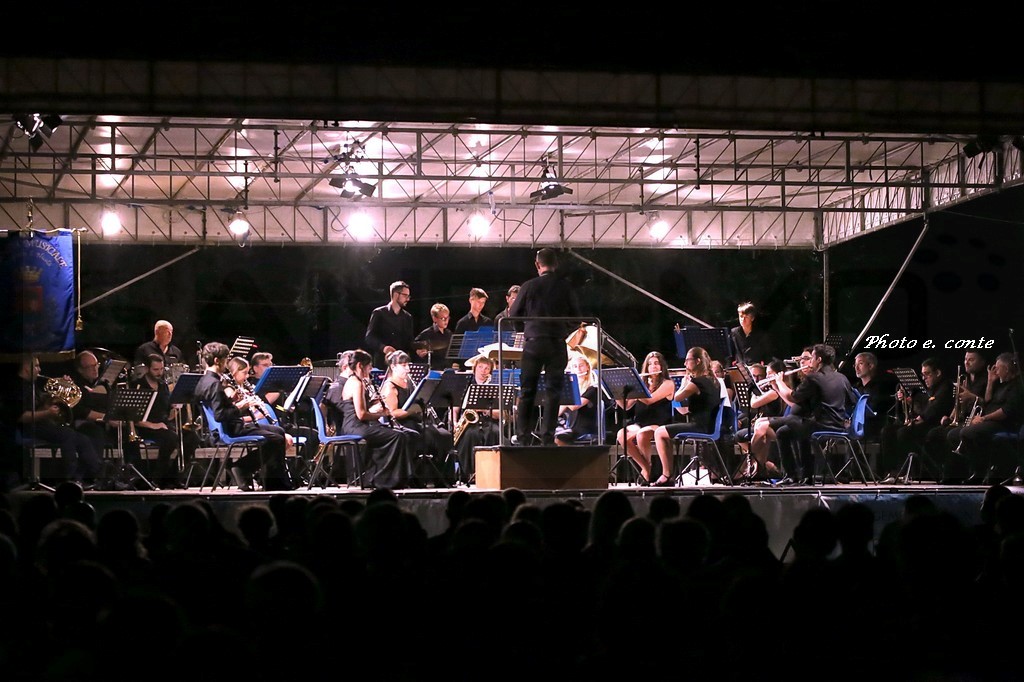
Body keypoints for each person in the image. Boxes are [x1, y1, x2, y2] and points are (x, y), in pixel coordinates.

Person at [194, 342, 294, 491]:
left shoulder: (203, 381)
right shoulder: (215, 384)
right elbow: (220, 415)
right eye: (226, 359)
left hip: (230, 426)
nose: (227, 364)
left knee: (278, 431)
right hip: (231, 429)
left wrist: (232, 400)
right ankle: (244, 467)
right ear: (217, 361)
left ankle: (273, 480)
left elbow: (218, 406)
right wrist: (241, 406)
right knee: (277, 439)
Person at [507, 247, 581, 445]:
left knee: (527, 391)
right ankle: (547, 438)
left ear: (537, 265)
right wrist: (563, 329)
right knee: (553, 392)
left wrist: (524, 329)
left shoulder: (529, 286)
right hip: (556, 343)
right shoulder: (565, 287)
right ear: (555, 264)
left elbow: (513, 313)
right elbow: (576, 317)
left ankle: (523, 438)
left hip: (534, 343)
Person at [323, 348, 415, 489]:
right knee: (397, 436)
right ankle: (383, 480)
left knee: (401, 434)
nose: (371, 370)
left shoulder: (356, 381)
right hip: (355, 426)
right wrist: (382, 414)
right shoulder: (356, 383)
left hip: (358, 425)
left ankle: (385, 478)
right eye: (369, 366)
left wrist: (375, 403)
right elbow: (361, 414)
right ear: (360, 366)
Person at [7, 355, 102, 486]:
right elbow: (21, 416)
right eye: (36, 366)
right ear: (26, 368)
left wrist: (63, 388)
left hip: (42, 425)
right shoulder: (18, 388)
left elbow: (41, 406)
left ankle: (92, 476)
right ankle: (69, 480)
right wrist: (48, 413)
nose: (40, 370)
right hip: (28, 428)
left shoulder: (32, 385)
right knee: (68, 435)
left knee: (83, 439)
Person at [772, 343, 858, 485]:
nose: (810, 361)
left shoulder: (813, 378)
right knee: (787, 431)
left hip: (821, 425)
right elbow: (852, 401)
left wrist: (779, 382)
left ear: (818, 360)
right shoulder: (842, 378)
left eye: (812, 357)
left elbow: (792, 397)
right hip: (838, 425)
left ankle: (792, 475)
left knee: (791, 422)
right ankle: (806, 477)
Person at [946, 352, 1024, 484]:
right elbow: (988, 401)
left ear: (1006, 369)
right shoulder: (1001, 383)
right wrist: (990, 381)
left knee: (968, 433)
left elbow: (1006, 412)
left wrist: (983, 418)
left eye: (998, 368)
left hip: (1004, 423)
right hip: (990, 421)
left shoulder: (1018, 385)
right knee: (953, 434)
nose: (996, 372)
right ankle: (967, 471)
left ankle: (980, 472)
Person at [380, 350, 456, 486]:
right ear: (393, 367)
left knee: (446, 435)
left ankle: (444, 479)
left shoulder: (409, 381)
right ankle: (420, 478)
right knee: (433, 437)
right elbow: (392, 413)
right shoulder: (390, 386)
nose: (408, 369)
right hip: (401, 424)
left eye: (408, 365)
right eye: (404, 366)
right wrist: (412, 410)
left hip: (415, 421)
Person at [652, 346, 723, 486]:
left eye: (687, 360)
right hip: (708, 425)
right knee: (665, 433)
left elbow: (677, 397)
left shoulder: (698, 382)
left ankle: (666, 475)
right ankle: (668, 475)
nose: (685, 364)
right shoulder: (713, 381)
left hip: (700, 426)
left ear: (697, 361)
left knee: (659, 432)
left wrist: (684, 383)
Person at [877, 357, 954, 484]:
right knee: (887, 431)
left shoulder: (946, 386)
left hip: (936, 425)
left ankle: (906, 472)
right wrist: (909, 402)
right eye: (922, 375)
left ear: (938, 373)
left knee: (904, 432)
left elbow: (934, 409)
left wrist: (918, 419)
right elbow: (923, 408)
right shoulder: (930, 389)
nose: (924, 378)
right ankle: (892, 472)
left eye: (927, 374)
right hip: (924, 423)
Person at [129, 353, 199, 488]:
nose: (159, 373)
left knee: (192, 438)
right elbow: (133, 417)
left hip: (163, 426)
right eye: (155, 369)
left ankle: (173, 476)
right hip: (145, 427)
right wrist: (154, 425)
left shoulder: (163, 385)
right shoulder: (138, 385)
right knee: (171, 438)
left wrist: (175, 409)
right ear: (147, 369)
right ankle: (157, 478)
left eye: (161, 369)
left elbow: (167, 416)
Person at [925, 350, 990, 480]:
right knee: (933, 434)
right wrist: (950, 417)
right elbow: (958, 403)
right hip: (963, 419)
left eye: (971, 359)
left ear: (982, 362)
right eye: (966, 359)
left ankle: (955, 474)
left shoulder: (987, 379)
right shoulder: (966, 380)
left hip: (978, 419)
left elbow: (988, 403)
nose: (967, 362)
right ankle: (940, 471)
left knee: (950, 434)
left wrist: (971, 397)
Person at [615, 351, 674, 485]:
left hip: (659, 424)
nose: (653, 366)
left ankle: (647, 472)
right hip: (641, 423)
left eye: (656, 363)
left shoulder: (668, 383)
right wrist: (617, 393)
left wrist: (635, 388)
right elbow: (626, 406)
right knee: (621, 435)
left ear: (662, 366)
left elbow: (649, 400)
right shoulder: (643, 384)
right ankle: (646, 467)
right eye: (650, 364)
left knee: (642, 434)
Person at [454, 354, 503, 483]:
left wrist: (485, 410)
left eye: (487, 368)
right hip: (469, 422)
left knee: (495, 432)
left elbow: (500, 414)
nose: (483, 371)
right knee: (471, 434)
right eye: (480, 367)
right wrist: (454, 422)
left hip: (488, 421)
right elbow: (455, 409)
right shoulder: (465, 385)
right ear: (474, 368)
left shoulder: (494, 387)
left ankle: (491, 473)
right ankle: (469, 474)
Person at [365, 281, 415, 369]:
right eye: (405, 295)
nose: (408, 299)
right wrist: (383, 348)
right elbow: (369, 337)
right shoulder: (379, 313)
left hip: (400, 365)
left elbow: (409, 341)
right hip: (382, 364)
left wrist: (418, 349)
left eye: (408, 296)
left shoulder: (408, 317)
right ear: (395, 295)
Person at [555, 352, 599, 445]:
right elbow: (558, 412)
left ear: (587, 367)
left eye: (581, 365)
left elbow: (574, 406)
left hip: (584, 429)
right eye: (575, 366)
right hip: (570, 428)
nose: (578, 369)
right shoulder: (570, 389)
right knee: (549, 434)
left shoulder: (593, 389)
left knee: (559, 438)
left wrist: (564, 391)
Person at [851, 351, 896, 442]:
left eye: (860, 364)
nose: (856, 368)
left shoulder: (881, 387)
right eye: (855, 365)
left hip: (873, 425)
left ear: (871, 366)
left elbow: (876, 409)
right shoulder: (856, 387)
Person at [414, 303, 454, 371]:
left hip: (447, 370)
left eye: (448, 318)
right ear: (434, 318)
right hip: (434, 370)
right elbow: (414, 347)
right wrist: (419, 352)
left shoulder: (449, 333)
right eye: (443, 318)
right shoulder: (426, 334)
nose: (446, 321)